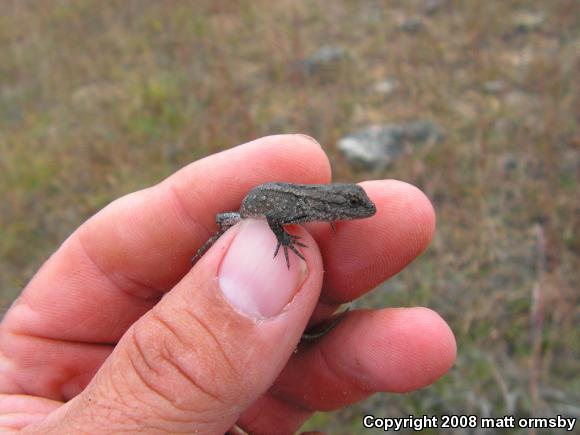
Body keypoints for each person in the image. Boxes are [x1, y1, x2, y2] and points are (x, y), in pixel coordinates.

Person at [0, 135, 456, 434]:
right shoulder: (308, 205)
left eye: (350, 210)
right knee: (232, 231)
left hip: (265, 204)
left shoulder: (325, 204)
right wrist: (278, 243)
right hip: (255, 208)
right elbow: (276, 215)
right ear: (338, 204)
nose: (355, 213)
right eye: (350, 209)